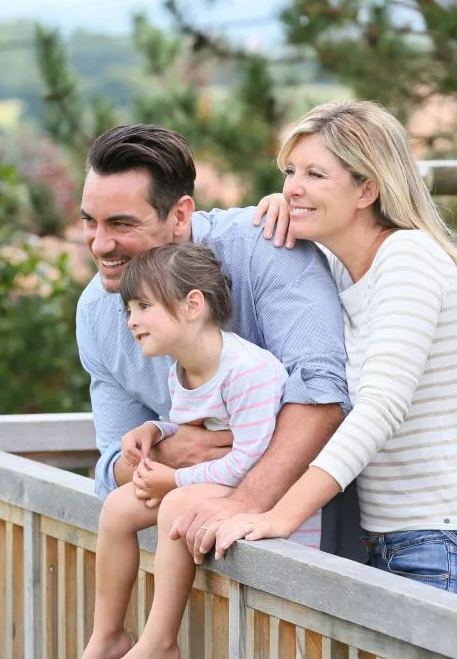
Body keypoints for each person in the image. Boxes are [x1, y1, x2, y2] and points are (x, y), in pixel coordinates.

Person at [212, 100, 457, 613]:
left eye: (316, 173)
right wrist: (288, 201)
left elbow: (379, 409)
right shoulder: (344, 267)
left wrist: (278, 515)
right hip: (400, 546)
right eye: (290, 172)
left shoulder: (409, 262)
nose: (294, 185)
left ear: (367, 189)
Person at [76, 124, 362, 566]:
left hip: (319, 554)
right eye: (89, 222)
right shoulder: (96, 312)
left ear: (180, 215)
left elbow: (322, 392)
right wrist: (170, 452)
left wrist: (244, 501)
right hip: (197, 555)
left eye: (121, 224)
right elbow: (112, 465)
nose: (100, 244)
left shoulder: (266, 246)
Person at [82, 243, 321, 659]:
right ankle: (109, 636)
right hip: (218, 483)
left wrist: (174, 479)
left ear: (193, 304)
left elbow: (253, 463)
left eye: (143, 306)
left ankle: (159, 643)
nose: (132, 321)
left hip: (265, 496)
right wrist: (154, 430)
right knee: (118, 509)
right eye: (129, 310)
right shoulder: (183, 370)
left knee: (175, 504)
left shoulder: (249, 370)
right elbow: (198, 426)